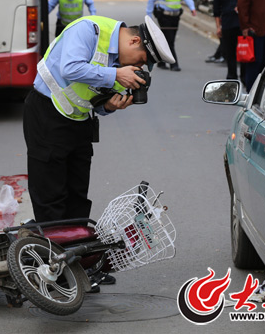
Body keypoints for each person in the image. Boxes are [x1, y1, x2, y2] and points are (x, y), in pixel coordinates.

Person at [23, 15, 174, 229]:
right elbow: (70, 68)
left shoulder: (122, 67)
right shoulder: (89, 30)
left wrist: (110, 106)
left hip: (81, 121)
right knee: (50, 193)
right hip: (47, 112)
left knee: (78, 194)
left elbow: (94, 100)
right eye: (140, 60)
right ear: (134, 41)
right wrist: (114, 74)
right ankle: (52, 253)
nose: (138, 66)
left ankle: (76, 250)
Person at [146, 0, 197, 71]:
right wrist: (148, 15)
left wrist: (192, 8)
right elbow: (151, 0)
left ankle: (160, 61)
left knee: (170, 40)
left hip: (175, 16)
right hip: (163, 16)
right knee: (169, 40)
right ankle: (174, 64)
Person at [213, 0, 245, 82]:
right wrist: (218, 27)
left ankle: (244, 78)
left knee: (243, 54)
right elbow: (216, 11)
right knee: (230, 54)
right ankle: (232, 78)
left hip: (242, 25)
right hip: (227, 25)